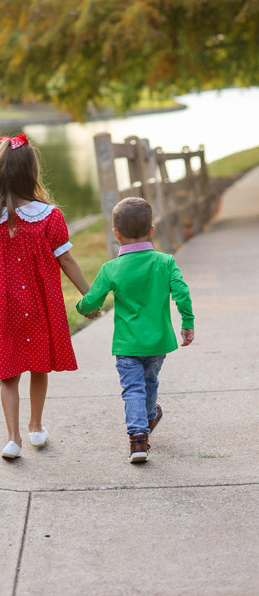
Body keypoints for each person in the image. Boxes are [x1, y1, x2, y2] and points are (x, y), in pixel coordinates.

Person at [0, 133, 95, 459]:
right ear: (31, 172)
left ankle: (13, 439)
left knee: (7, 374)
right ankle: (35, 427)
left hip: (3, 308)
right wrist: (89, 295)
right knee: (38, 366)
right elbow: (66, 260)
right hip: (38, 304)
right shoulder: (49, 217)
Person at [76, 197, 194, 463]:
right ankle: (149, 416)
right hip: (158, 342)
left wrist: (83, 307)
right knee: (150, 382)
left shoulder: (111, 268)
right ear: (151, 230)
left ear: (116, 234)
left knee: (132, 389)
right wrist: (187, 322)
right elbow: (182, 293)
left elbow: (91, 301)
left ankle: (138, 439)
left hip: (127, 344)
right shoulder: (165, 262)